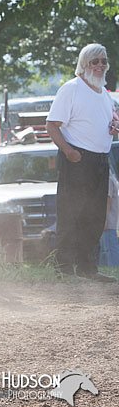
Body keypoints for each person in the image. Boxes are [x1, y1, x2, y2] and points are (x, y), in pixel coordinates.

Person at [46, 43, 119, 282]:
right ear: (84, 64)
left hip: (100, 161)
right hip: (77, 160)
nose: (99, 65)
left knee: (95, 217)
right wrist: (68, 152)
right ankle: (64, 270)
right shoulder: (72, 89)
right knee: (71, 214)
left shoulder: (104, 93)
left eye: (103, 61)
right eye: (94, 61)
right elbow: (52, 124)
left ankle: (88, 269)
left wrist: (114, 125)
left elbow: (110, 122)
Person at [99, 169, 119, 267]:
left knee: (109, 250)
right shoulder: (108, 179)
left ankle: (114, 270)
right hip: (107, 224)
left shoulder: (107, 180)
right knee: (105, 250)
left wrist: (104, 220)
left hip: (108, 224)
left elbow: (107, 200)